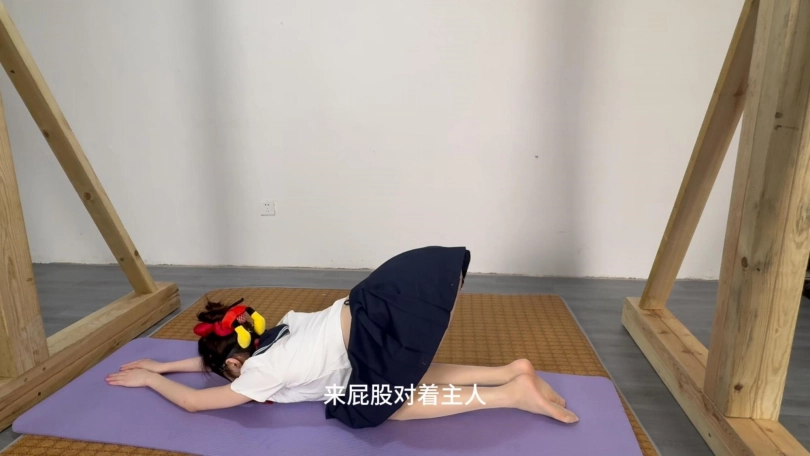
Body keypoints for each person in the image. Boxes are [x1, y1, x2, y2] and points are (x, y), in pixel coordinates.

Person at [106, 246, 579, 427]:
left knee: (384, 405)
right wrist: (164, 364)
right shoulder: (274, 333)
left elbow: (194, 403)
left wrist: (152, 380)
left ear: (235, 365)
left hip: (389, 316)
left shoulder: (260, 372)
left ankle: (512, 394)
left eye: (226, 373)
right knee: (398, 375)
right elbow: (218, 362)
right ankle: (510, 372)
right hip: (389, 291)